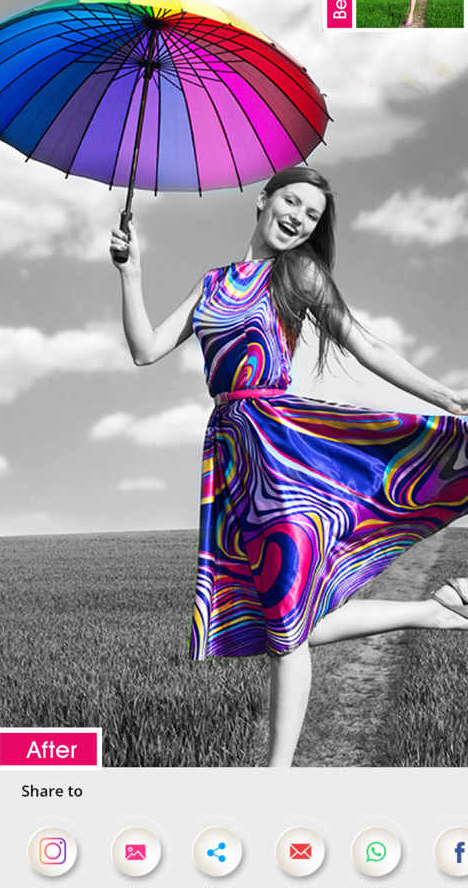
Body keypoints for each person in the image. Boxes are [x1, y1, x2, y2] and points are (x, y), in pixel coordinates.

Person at [110, 166, 468, 768]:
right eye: (292, 202)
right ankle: (430, 612)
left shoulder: (297, 274)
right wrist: (131, 272)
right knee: (280, 619)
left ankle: (275, 781)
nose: (300, 217)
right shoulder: (213, 283)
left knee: (285, 624)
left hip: (285, 447)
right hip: (230, 455)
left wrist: (451, 399)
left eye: (312, 214)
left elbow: (365, 343)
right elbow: (145, 351)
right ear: (263, 200)